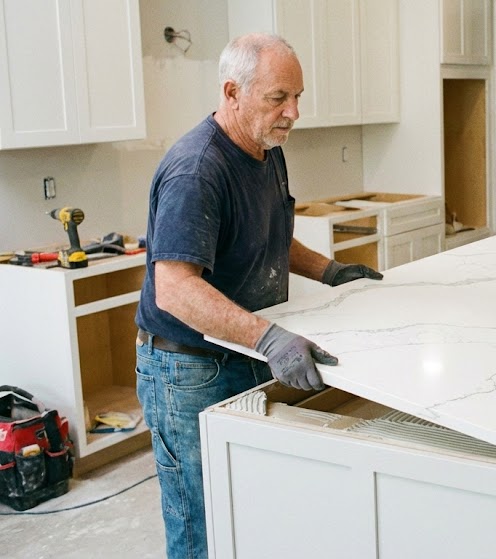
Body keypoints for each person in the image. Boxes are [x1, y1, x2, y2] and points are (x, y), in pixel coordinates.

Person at [135, 33, 382, 559]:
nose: (293, 112)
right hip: (189, 371)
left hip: (242, 349)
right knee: (202, 517)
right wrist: (271, 339)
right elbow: (175, 289)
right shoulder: (197, 170)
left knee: (253, 506)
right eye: (278, 98)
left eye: (297, 97)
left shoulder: (265, 149)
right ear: (233, 92)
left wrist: (331, 270)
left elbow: (269, 232)